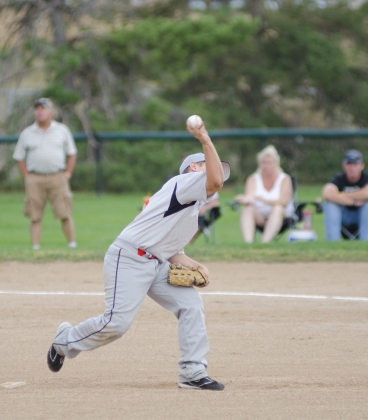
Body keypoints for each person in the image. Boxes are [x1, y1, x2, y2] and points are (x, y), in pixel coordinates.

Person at [46, 118, 231, 391]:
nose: (215, 172)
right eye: (206, 164)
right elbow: (215, 182)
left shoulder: (190, 213)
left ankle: (192, 372)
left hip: (154, 263)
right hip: (129, 258)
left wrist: (196, 265)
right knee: (116, 324)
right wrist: (205, 140)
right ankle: (65, 340)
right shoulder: (183, 183)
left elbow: (171, 251)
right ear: (194, 168)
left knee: (190, 304)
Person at [13, 98, 77, 250]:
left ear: (51, 112)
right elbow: (19, 156)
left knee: (64, 213)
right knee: (35, 215)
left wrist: (67, 173)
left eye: (43, 108)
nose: (39, 112)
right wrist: (27, 176)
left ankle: (72, 246)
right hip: (35, 178)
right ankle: (35, 248)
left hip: (57, 177)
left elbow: (72, 153)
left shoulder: (62, 130)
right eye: (37, 109)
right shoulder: (28, 133)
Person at [234, 145, 294, 243]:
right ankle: (248, 243)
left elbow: (283, 202)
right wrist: (244, 199)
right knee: (247, 208)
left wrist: (263, 200)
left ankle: (265, 243)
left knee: (277, 208)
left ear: (276, 164)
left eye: (269, 163)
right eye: (264, 163)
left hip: (281, 217)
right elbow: (250, 197)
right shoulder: (253, 179)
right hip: (259, 217)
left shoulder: (284, 179)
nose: (266, 166)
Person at [321, 149, 368, 241]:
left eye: (355, 164)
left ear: (362, 166)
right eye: (349, 164)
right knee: (330, 204)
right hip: (344, 215)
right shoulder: (339, 179)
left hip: (362, 215)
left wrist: (341, 194)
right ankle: (333, 243)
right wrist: (354, 202)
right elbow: (327, 193)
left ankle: (366, 243)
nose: (351, 168)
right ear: (344, 165)